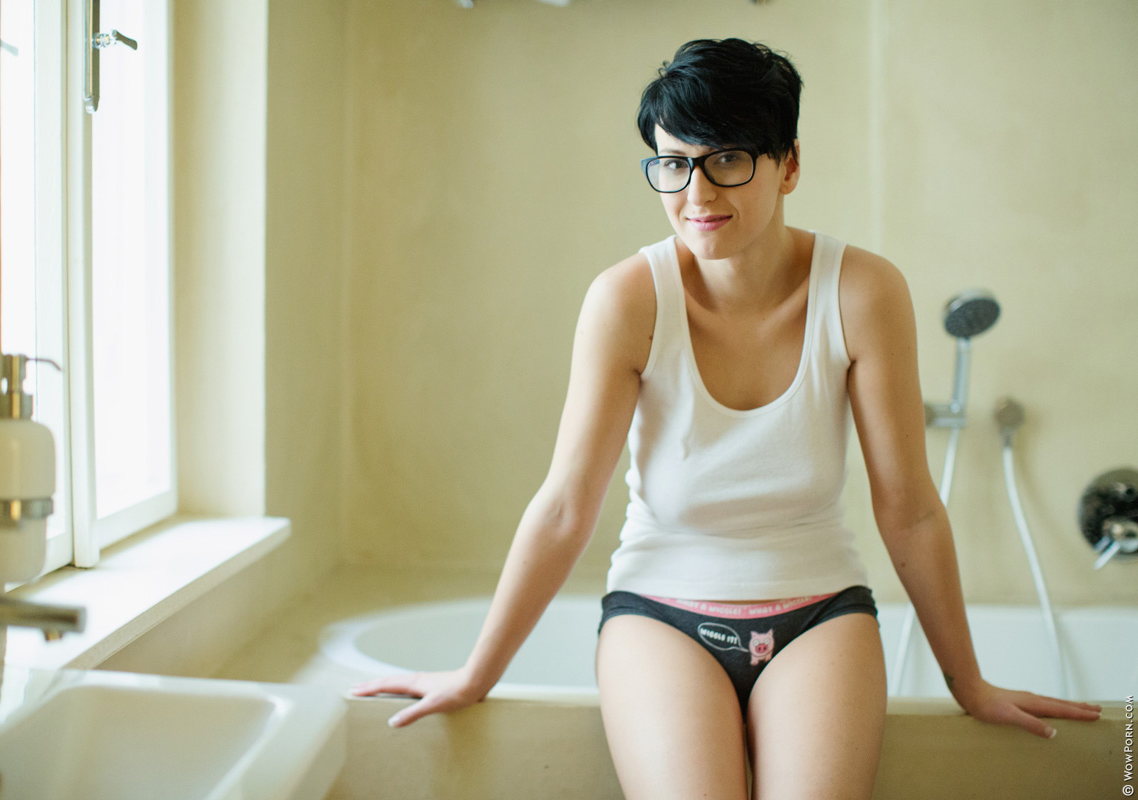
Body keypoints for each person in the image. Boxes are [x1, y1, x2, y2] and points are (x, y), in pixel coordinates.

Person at [350, 37, 1102, 799]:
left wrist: (969, 683)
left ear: (790, 164)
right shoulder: (628, 300)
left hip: (820, 614)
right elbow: (566, 506)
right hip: (658, 614)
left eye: (728, 160)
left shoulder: (862, 292)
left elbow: (909, 509)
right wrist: (476, 674)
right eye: (674, 164)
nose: (698, 194)